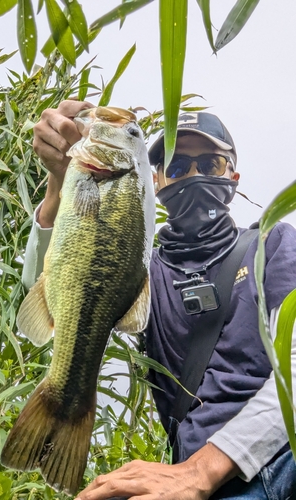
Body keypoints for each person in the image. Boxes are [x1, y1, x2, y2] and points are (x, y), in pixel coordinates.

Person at [23, 100, 296, 499]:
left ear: (233, 177)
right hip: (192, 482)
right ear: (155, 181)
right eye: (178, 167)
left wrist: (202, 471)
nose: (194, 175)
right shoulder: (139, 270)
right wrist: (58, 189)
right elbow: (53, 289)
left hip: (277, 462)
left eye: (210, 165)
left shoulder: (273, 245)